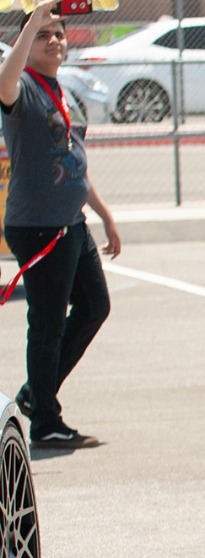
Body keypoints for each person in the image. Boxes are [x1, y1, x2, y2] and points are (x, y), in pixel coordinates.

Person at [1, 0, 119, 450]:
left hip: (72, 220)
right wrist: (33, 21)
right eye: (45, 35)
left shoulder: (61, 89)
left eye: (59, 34)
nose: (54, 41)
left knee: (94, 306)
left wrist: (106, 216)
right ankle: (46, 421)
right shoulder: (23, 88)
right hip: (40, 226)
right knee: (47, 324)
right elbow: (3, 83)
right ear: (27, 44)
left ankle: (37, 393)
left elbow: (75, 163)